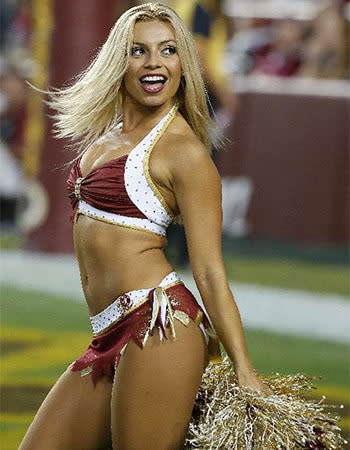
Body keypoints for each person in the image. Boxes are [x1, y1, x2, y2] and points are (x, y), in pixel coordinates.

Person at [19, 3, 270, 449]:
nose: (155, 62)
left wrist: (244, 370)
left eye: (168, 50)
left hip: (159, 325)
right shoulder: (106, 136)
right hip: (106, 334)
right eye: (139, 51)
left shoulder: (185, 153)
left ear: (183, 65)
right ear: (120, 60)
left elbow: (209, 271)